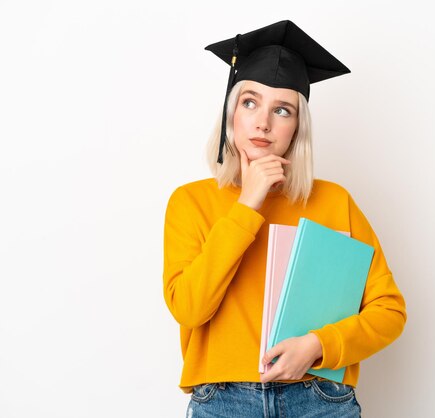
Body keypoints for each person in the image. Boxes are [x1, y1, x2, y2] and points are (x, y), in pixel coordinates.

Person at [163, 20, 406, 417]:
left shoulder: (333, 201)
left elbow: (389, 311)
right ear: (231, 114)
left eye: (282, 110)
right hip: (223, 402)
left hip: (319, 400)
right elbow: (189, 309)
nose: (263, 122)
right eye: (250, 102)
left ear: (297, 128)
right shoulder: (191, 202)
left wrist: (318, 345)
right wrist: (248, 203)